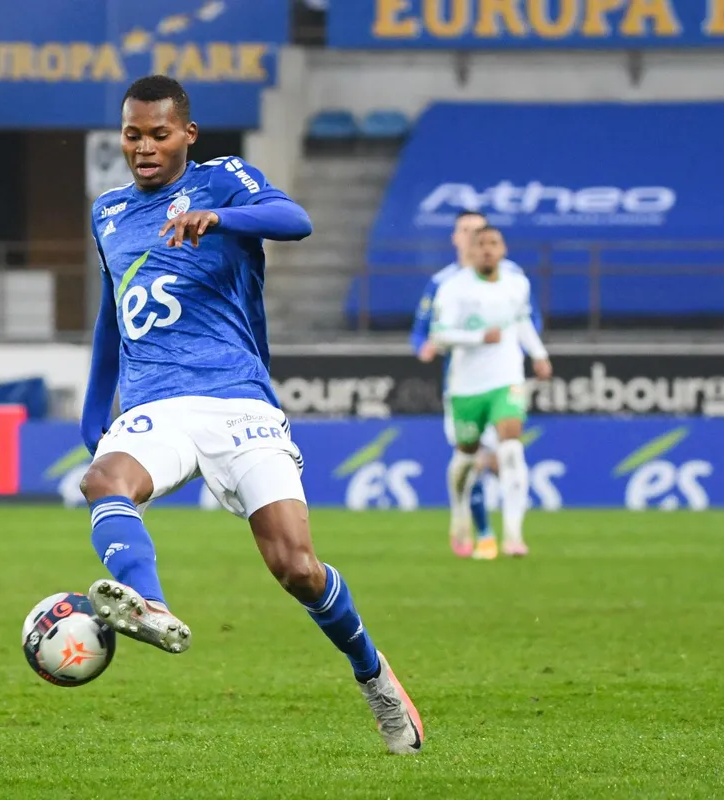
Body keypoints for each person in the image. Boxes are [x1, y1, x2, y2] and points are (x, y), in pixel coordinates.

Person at [78, 75, 423, 754]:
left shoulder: (225, 179)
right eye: (132, 135)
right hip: (157, 403)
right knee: (103, 482)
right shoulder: (108, 212)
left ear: (188, 135)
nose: (143, 148)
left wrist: (221, 217)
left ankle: (376, 679)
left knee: (296, 567)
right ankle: (148, 603)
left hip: (237, 397)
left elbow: (297, 220)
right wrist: (96, 418)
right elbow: (110, 317)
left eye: (158, 134)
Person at [410, 210, 541, 560]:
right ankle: (475, 526)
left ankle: (510, 533)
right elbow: (423, 331)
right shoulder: (445, 283)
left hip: (504, 378)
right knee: (472, 459)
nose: (475, 238)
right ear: (457, 238)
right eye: (466, 231)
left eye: (480, 231)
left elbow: (527, 318)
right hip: (464, 383)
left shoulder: (514, 278)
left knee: (508, 450)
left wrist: (536, 352)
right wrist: (425, 348)